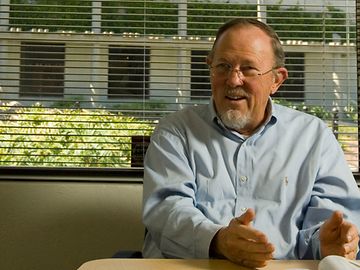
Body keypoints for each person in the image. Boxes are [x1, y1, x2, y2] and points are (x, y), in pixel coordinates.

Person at [141, 18, 360, 268]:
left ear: (277, 80)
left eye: (248, 69)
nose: (233, 80)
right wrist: (217, 240)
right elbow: (166, 211)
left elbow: (333, 223)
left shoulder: (314, 137)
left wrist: (327, 245)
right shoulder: (175, 132)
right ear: (210, 68)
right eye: (223, 66)